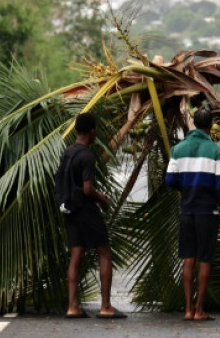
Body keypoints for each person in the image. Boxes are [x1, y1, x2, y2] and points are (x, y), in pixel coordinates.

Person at [165, 106, 220, 322]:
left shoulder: (178, 149)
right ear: (210, 125)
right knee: (205, 260)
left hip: (187, 210)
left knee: (188, 259)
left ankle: (187, 309)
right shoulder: (216, 151)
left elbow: (170, 180)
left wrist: (186, 189)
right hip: (208, 211)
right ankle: (199, 310)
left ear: (194, 123)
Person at [59, 112, 126, 319]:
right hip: (86, 210)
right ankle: (106, 306)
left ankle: (72, 306)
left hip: (70, 209)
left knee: (76, 255)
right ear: (92, 131)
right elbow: (88, 189)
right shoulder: (87, 155)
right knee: (104, 252)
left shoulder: (68, 152)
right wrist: (102, 199)